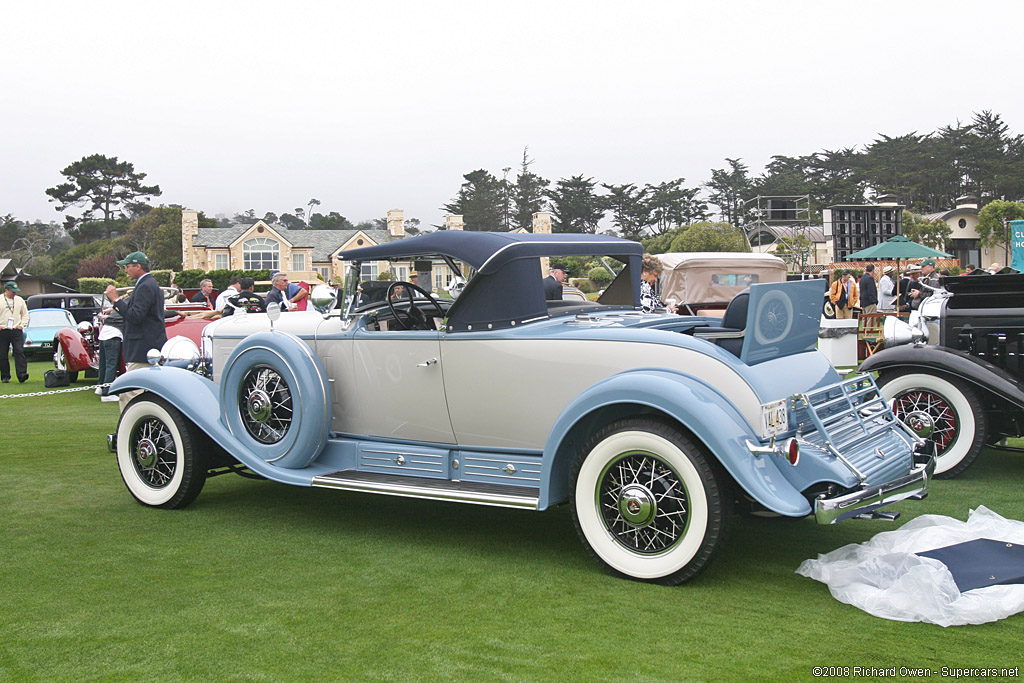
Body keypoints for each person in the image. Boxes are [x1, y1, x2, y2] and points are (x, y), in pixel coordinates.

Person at [111, 252, 168, 410]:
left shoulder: (146, 286)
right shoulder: (148, 284)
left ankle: (130, 429)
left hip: (143, 348)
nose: (126, 270)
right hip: (147, 346)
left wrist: (116, 300)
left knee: (129, 392)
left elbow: (135, 316)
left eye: (128, 266)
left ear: (138, 266)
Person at [95, 284, 125, 402]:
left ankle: (100, 387)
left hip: (104, 334)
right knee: (111, 365)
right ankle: (106, 393)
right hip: (113, 335)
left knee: (103, 363)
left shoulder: (117, 308)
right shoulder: (125, 307)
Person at [0, 281, 30, 383]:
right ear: (6, 290)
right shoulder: (0, 299)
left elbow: (25, 314)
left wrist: (22, 325)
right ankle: (5, 376)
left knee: (19, 351)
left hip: (16, 330)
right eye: (12, 291)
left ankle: (22, 374)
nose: (14, 294)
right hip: (3, 331)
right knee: (3, 354)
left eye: (16, 291)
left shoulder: (20, 300)